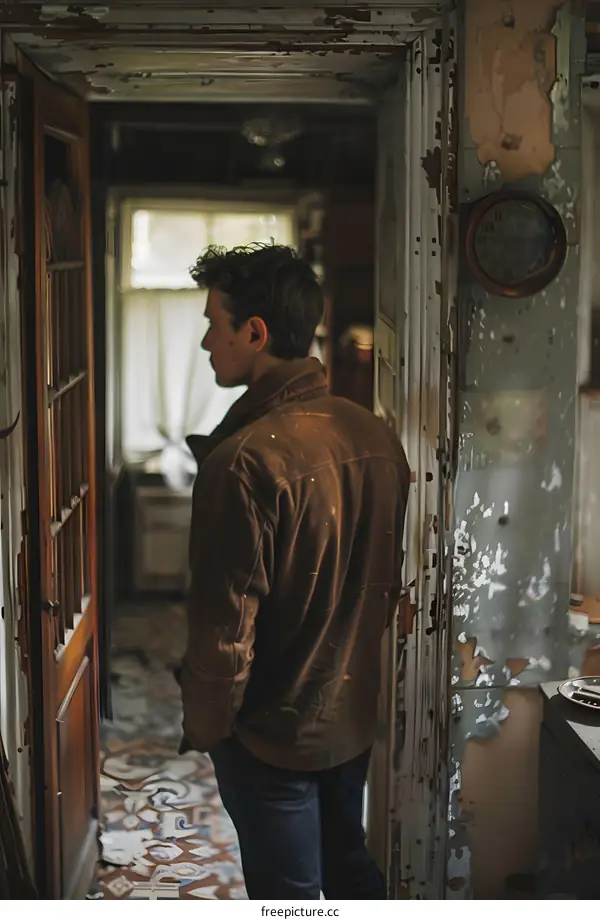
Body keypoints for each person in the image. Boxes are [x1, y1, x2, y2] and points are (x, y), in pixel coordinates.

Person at [178, 243, 410, 900]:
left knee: (289, 899)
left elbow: (224, 627)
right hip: (352, 716)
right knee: (349, 872)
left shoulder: (243, 460)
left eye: (211, 324)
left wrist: (212, 729)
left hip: (270, 732)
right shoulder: (373, 435)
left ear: (254, 333)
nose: (204, 343)